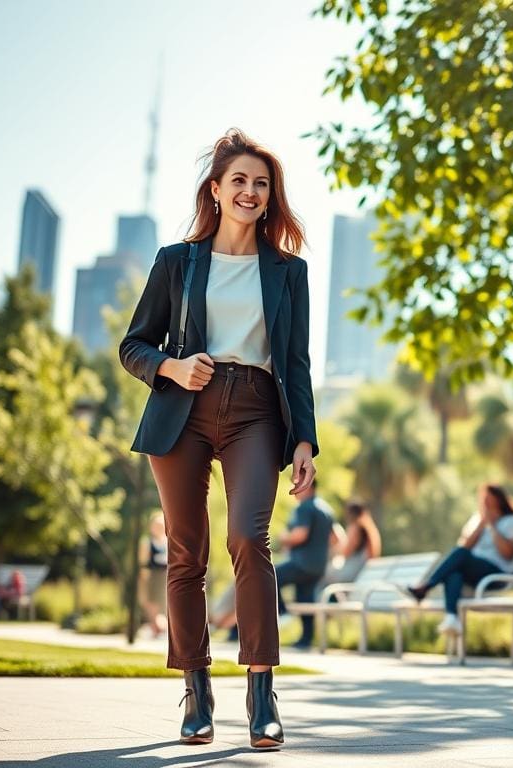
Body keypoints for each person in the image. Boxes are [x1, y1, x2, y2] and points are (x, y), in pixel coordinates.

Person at [119, 128, 318, 749]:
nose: (251, 191)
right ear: (216, 189)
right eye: (240, 181)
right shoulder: (177, 261)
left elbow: (297, 361)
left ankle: (261, 694)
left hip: (257, 409)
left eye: (262, 183)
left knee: (247, 537)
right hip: (183, 409)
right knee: (187, 553)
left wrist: (305, 442)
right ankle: (197, 693)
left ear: (270, 195)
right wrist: (172, 367)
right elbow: (133, 346)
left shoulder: (288, 271)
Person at [408, 484, 513, 635]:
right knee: (453, 573)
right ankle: (451, 618)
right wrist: (483, 523)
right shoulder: (478, 519)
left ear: (499, 500)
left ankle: (426, 587)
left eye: (489, 500)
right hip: (475, 573)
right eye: (483, 500)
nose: (485, 504)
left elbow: (508, 554)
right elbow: (465, 546)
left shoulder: (512, 521)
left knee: (460, 555)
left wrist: (493, 526)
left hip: (498, 573)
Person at [275, 479, 335, 649]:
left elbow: (300, 535)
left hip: (302, 563)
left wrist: (284, 538)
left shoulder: (305, 507)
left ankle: (282, 612)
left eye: (297, 487)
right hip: (318, 566)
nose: (294, 491)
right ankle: (306, 639)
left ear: (308, 487)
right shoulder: (326, 509)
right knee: (305, 596)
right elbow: (335, 538)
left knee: (270, 575)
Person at [321, 500, 382, 586]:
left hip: (358, 571)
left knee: (322, 574)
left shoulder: (357, 526)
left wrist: (334, 548)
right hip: (366, 570)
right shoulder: (369, 526)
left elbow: (346, 552)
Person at [138, 511, 168, 638]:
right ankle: (156, 628)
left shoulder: (168, 541)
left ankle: (162, 628)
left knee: (163, 602)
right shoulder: (147, 542)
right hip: (153, 575)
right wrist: (144, 577)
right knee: (151, 602)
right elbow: (143, 561)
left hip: (165, 575)